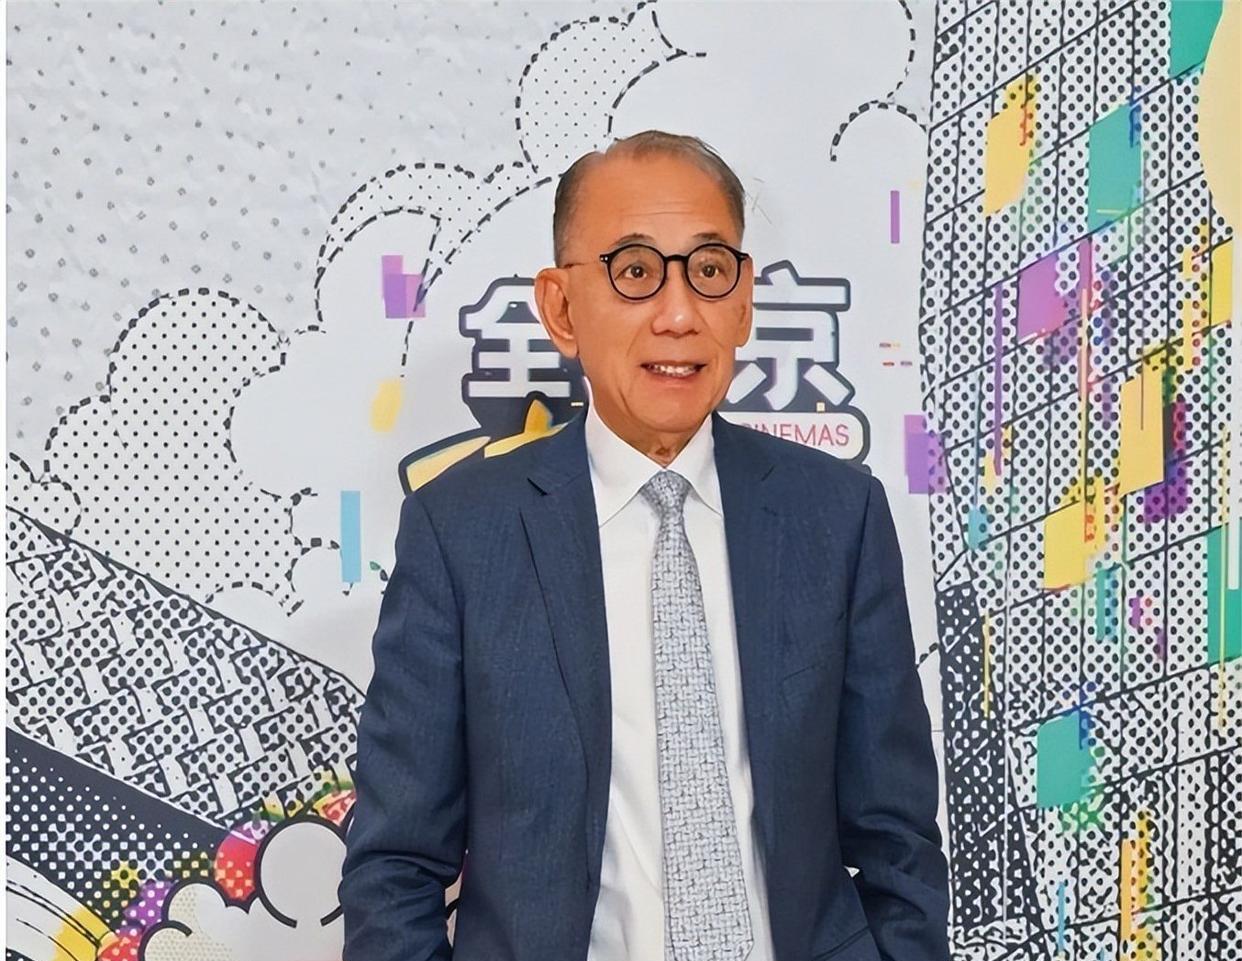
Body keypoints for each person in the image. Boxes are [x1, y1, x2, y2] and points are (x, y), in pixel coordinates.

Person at [339, 130, 950, 961]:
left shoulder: (837, 515)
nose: (678, 313)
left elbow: (898, 840)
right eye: (634, 271)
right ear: (561, 307)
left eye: (709, 270)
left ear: (743, 302)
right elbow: (395, 866)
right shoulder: (462, 533)